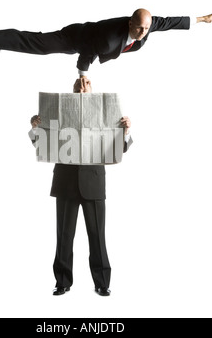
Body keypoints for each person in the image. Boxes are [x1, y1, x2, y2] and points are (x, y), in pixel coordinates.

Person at [30, 78, 133, 296]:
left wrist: (125, 132)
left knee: (97, 235)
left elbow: (120, 149)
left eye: (86, 83)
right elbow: (42, 144)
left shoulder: (105, 114)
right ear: (72, 88)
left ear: (92, 89)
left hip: (93, 182)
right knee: (64, 236)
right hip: (66, 182)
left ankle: (102, 283)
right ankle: (62, 282)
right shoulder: (58, 111)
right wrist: (35, 129)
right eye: (78, 83)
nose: (82, 85)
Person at [0, 9, 212, 76]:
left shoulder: (147, 27)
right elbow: (87, 55)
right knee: (38, 44)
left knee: (36, 43)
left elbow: (170, 22)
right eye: (138, 27)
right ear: (130, 23)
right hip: (77, 37)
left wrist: (200, 19)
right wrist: (82, 77)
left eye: (146, 28)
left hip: (88, 41)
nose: (142, 32)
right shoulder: (110, 37)